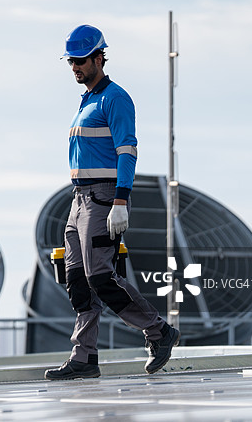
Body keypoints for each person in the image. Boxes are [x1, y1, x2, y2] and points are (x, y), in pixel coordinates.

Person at [44, 25, 181, 380]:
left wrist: (121, 199)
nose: (74, 67)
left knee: (102, 277)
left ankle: (158, 331)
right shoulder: (86, 100)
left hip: (105, 198)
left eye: (80, 60)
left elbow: (127, 150)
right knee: (77, 280)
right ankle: (84, 358)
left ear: (99, 58)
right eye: (70, 61)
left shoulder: (114, 98)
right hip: (79, 200)